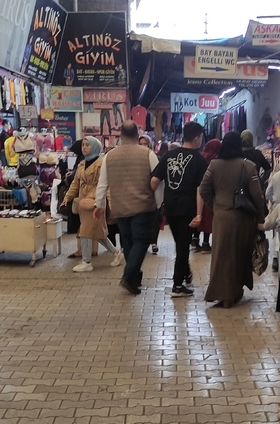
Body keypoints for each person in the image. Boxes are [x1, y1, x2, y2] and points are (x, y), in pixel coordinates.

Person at [198, 131, 266, 308]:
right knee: (239, 254)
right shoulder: (248, 166)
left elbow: (203, 189)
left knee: (221, 255)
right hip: (243, 217)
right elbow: (257, 195)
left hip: (221, 217)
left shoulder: (214, 165)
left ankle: (222, 294)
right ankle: (234, 291)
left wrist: (215, 204)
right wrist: (260, 218)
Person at [94, 120, 159, 295]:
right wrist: (159, 202)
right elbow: (158, 181)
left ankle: (134, 279)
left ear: (121, 135)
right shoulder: (148, 154)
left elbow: (102, 183)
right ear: (137, 135)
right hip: (143, 206)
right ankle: (129, 276)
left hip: (120, 207)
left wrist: (99, 205)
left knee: (128, 242)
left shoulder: (109, 156)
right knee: (141, 241)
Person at [152, 121, 208, 298]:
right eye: (201, 137)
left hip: (170, 208)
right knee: (182, 247)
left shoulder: (168, 156)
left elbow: (154, 181)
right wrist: (199, 214)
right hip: (187, 209)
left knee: (180, 243)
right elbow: (200, 190)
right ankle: (177, 285)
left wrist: (156, 201)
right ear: (197, 138)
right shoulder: (199, 160)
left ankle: (185, 273)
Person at [63, 136, 123, 273]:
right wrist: (67, 197)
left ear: (95, 147)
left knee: (85, 231)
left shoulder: (102, 163)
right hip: (84, 202)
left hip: (96, 202)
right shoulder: (82, 164)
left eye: (87, 145)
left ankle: (86, 262)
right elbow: (75, 183)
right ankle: (116, 253)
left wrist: (107, 203)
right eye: (83, 145)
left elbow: (107, 185)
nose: (84, 147)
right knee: (97, 232)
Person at [193, 137, 220, 251]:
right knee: (208, 218)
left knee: (198, 215)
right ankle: (205, 242)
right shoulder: (215, 159)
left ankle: (195, 239)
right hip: (209, 192)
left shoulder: (200, 157)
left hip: (197, 190)